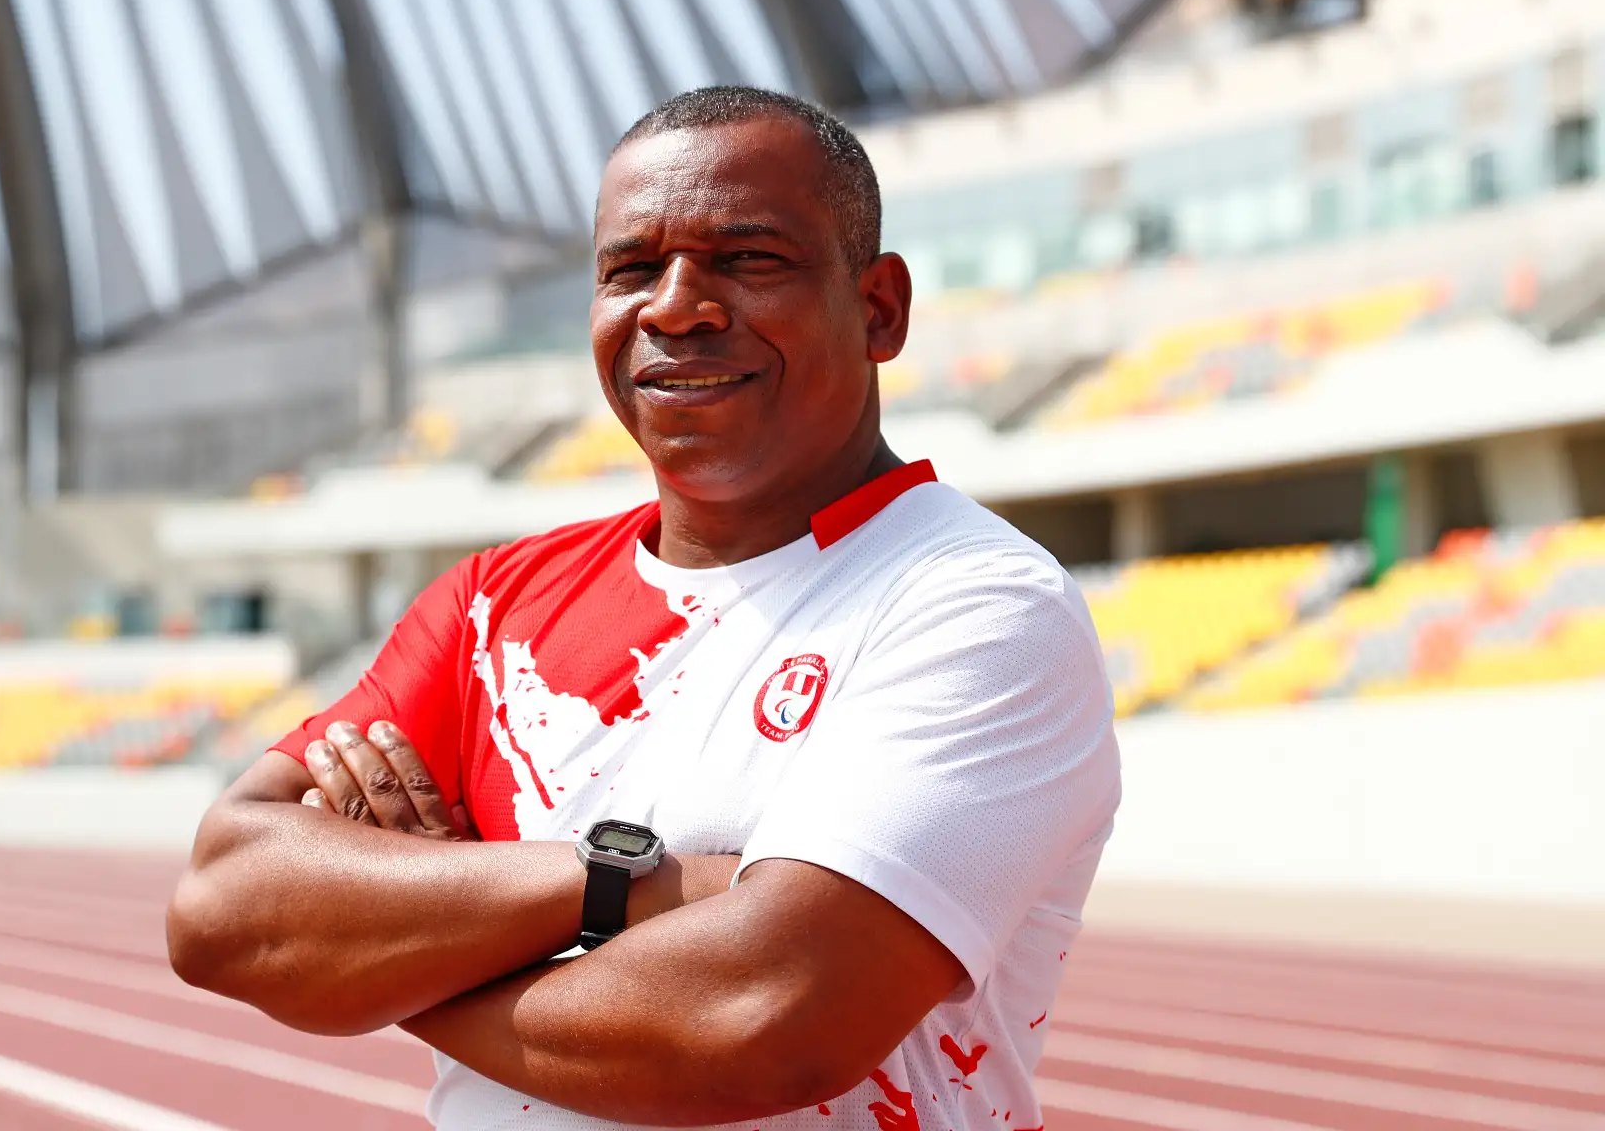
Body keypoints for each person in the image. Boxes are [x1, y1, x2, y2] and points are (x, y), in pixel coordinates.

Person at [167, 86, 1120, 1131]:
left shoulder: (976, 604)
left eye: (748, 259)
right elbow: (224, 910)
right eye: (631, 268)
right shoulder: (492, 603)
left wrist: (385, 952)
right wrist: (627, 883)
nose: (675, 306)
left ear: (879, 308)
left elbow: (767, 1015)